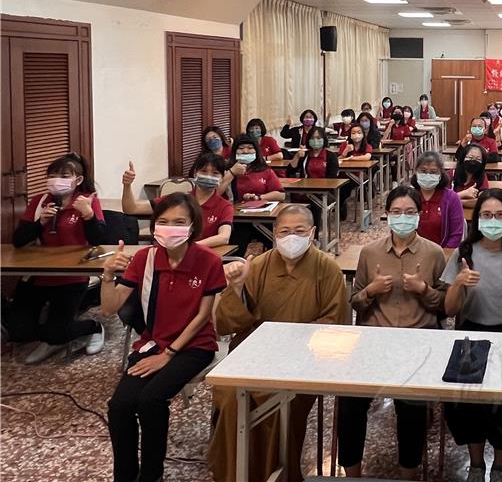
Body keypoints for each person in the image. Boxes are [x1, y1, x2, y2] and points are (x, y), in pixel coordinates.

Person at [208, 205, 346, 481]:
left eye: (299, 231)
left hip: (302, 361)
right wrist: (236, 288)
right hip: (253, 355)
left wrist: (291, 343)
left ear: (312, 233)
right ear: (274, 233)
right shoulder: (257, 266)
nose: (291, 237)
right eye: (284, 231)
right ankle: (234, 474)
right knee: (232, 397)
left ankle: (278, 473)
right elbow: (227, 325)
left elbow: (335, 326)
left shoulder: (327, 269)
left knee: (280, 403)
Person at [101, 193, 226, 482]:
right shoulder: (144, 259)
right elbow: (109, 308)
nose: (170, 228)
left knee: (151, 400)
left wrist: (168, 355)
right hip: (153, 342)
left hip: (194, 345)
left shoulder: (208, 260)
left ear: (193, 226)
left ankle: (152, 474)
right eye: (164, 221)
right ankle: (124, 476)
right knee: (119, 406)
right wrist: (107, 276)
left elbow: (202, 317)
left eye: (179, 222)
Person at [342, 186, 447, 480]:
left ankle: (408, 474)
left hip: (417, 342)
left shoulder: (434, 253)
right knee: (349, 404)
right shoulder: (369, 252)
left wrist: (424, 290)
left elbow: (445, 306)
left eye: (410, 212)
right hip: (373, 342)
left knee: (412, 409)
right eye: (397, 212)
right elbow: (355, 303)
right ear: (387, 214)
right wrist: (371, 291)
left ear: (419, 215)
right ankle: (352, 475)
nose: (403, 218)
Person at [442, 190, 502, 482]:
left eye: (500, 215)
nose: (493, 221)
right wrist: (458, 283)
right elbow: (449, 310)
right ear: (477, 219)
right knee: (466, 404)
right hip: (471, 334)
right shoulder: (464, 254)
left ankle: (499, 465)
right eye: (486, 215)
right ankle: (476, 464)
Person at [5, 153, 105, 363]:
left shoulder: (87, 201)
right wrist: (39, 223)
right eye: (51, 176)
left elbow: (100, 240)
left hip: (71, 276)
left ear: (78, 179)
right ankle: (50, 335)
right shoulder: (40, 202)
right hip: (37, 275)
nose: (56, 180)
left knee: (57, 331)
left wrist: (88, 215)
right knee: (17, 331)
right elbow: (18, 241)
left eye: (64, 176)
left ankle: (93, 328)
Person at [121, 153, 233, 248]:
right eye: (203, 171)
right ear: (195, 173)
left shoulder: (224, 206)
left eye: (215, 173)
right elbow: (131, 208)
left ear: (222, 177)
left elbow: (224, 237)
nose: (208, 176)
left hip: (203, 254)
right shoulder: (177, 199)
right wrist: (127, 185)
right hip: (169, 253)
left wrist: (189, 247)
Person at [223, 135, 285, 253]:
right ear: (234, 151)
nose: (246, 151)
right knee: (236, 246)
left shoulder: (265, 170)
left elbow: (281, 194)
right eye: (241, 148)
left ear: (256, 151)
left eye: (250, 148)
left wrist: (258, 197)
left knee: (274, 244)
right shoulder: (226, 169)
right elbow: (216, 192)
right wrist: (232, 173)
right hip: (235, 219)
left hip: (262, 217)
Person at [410, 151, 465, 247]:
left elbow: (456, 235)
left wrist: (442, 253)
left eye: (433, 172)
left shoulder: (451, 198)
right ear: (416, 172)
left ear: (440, 174)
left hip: (443, 252)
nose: (428, 175)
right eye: (423, 171)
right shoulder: (408, 196)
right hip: (412, 252)